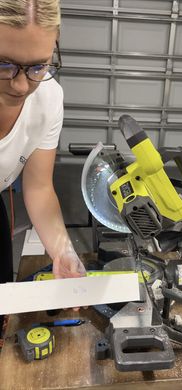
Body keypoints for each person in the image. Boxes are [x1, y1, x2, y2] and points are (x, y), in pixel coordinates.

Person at [0, 0, 86, 335]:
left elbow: (37, 187)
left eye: (38, 66)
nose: (21, 86)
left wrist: (62, 251)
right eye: (4, 64)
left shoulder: (48, 97)